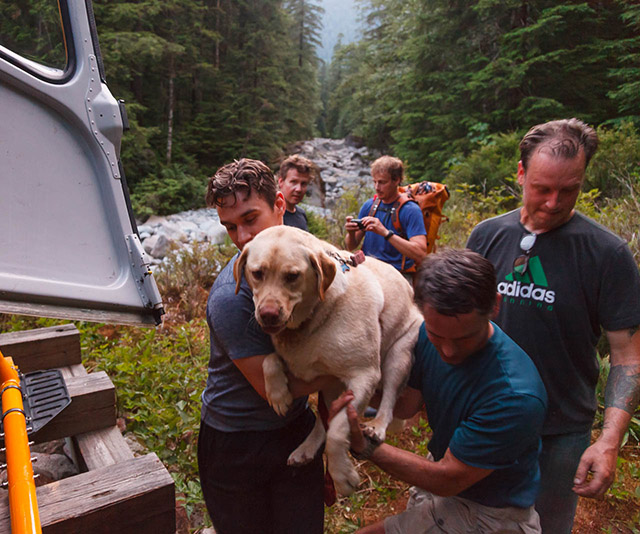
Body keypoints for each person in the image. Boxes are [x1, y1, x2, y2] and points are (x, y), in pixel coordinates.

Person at [466, 118, 640, 534]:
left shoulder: (607, 254)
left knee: (545, 527)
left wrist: (609, 440)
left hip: (560, 432)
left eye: (569, 189)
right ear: (521, 173)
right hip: (482, 417)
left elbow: (628, 355)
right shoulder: (486, 236)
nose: (553, 201)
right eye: (542, 188)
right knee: (465, 520)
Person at [331, 249, 547, 534]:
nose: (447, 351)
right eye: (436, 335)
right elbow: (407, 405)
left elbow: (447, 478)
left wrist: (364, 445)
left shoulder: (514, 395)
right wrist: (352, 383)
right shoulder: (422, 332)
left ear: (495, 305)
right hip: (443, 488)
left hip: (488, 513)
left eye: (464, 338)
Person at [198, 158, 327, 534]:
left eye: (250, 219)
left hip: (297, 428)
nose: (241, 238)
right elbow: (279, 391)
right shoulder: (232, 296)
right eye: (230, 227)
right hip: (237, 442)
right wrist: (354, 364)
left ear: (281, 206)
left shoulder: (304, 255)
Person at [344, 156, 426, 276]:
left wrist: (385, 233)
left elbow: (421, 253)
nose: (377, 187)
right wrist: (351, 232)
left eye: (382, 182)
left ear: (396, 180)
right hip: (369, 272)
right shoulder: (369, 206)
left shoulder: (410, 210)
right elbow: (351, 246)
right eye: (374, 182)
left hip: (397, 275)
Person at [277, 154, 315, 231]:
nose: (299, 189)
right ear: (281, 182)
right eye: (293, 182)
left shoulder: (301, 214)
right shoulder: (272, 215)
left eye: (303, 184)